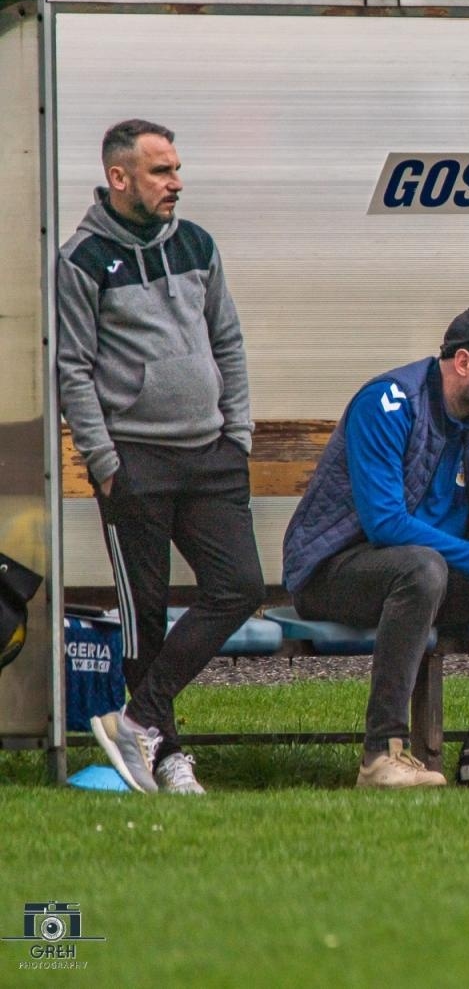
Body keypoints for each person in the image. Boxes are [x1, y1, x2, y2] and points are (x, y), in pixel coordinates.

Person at [282, 307, 469, 789]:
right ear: (463, 362)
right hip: (335, 572)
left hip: (430, 578)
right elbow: (385, 525)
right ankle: (382, 755)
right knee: (422, 567)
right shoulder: (389, 402)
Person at [58, 119, 265, 795]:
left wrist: (237, 435)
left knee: (240, 587)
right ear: (120, 178)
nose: (175, 183)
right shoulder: (83, 260)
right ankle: (167, 753)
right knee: (143, 618)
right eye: (160, 172)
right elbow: (73, 369)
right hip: (136, 463)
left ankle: (138, 718)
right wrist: (106, 460)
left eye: (176, 169)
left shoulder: (198, 244)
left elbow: (227, 340)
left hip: (210, 455)